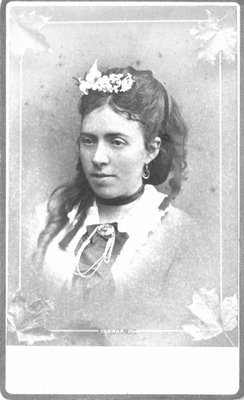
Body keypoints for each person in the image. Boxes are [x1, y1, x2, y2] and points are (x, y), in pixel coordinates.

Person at [33, 61, 221, 346]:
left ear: (151, 149)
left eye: (117, 142)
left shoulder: (180, 234)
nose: (98, 157)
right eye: (88, 140)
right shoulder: (46, 221)